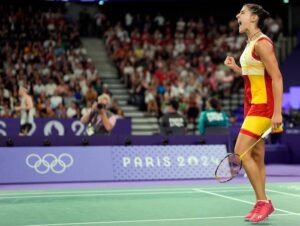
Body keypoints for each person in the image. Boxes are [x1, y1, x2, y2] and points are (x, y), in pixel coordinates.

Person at [224, 4, 283, 223]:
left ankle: (263, 202)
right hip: (253, 105)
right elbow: (255, 76)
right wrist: (237, 69)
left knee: (239, 152)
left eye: (242, 12)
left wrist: (277, 113)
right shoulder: (250, 44)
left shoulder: (263, 43)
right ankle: (262, 202)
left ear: (254, 18)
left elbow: (276, 77)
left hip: (264, 107)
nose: (237, 15)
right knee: (256, 156)